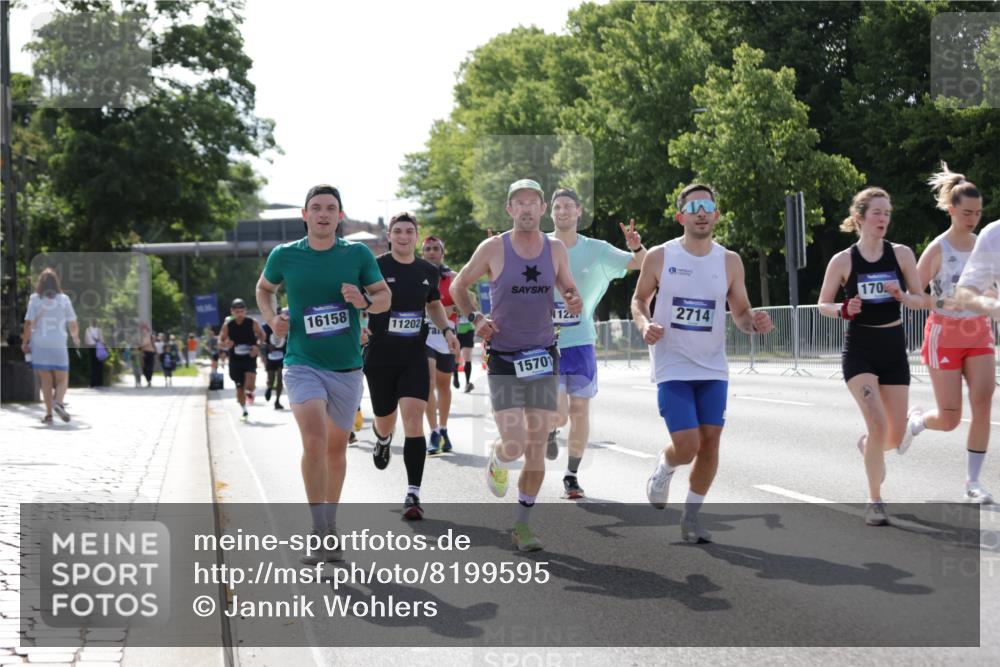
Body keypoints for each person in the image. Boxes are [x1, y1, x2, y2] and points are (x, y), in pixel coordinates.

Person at [632, 184, 774, 543]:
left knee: (710, 442)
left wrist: (753, 323)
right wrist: (645, 324)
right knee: (687, 445)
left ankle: (691, 518)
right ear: (681, 216)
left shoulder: (729, 261)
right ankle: (665, 466)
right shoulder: (660, 257)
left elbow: (740, 312)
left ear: (716, 215)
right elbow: (639, 300)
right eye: (694, 207)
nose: (701, 213)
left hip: (712, 367)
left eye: (707, 207)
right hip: (672, 364)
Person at [256, 184, 389, 564]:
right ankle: (319, 530)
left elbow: (384, 298)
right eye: (316, 208)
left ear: (340, 216)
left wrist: (364, 300)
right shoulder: (285, 255)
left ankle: (330, 523)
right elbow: (264, 289)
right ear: (305, 215)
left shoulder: (357, 254)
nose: (323, 214)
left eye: (331, 208)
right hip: (302, 363)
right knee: (314, 441)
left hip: (346, 367)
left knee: (335, 450)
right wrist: (272, 320)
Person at [450, 178, 582, 551]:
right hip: (505, 358)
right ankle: (499, 456)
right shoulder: (493, 248)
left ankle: (522, 524)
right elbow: (459, 286)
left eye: (532, 202)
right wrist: (476, 318)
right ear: (509, 209)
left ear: (542, 209)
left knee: (536, 446)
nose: (526, 208)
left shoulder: (555, 249)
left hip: (542, 354)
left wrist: (573, 299)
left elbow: (569, 288)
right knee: (515, 444)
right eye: (519, 202)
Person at [817, 186, 924, 526]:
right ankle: (874, 500)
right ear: (860, 217)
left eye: (887, 213)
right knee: (878, 423)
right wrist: (843, 309)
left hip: (893, 348)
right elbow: (822, 304)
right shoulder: (843, 260)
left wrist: (903, 296)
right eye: (877, 212)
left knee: (891, 437)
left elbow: (922, 299)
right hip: (860, 350)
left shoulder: (902, 255)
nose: (883, 219)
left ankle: (869, 446)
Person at [546, 187, 646, 499]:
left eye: (568, 206)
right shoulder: (537, 246)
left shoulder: (597, 250)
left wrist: (637, 246)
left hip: (581, 343)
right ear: (551, 213)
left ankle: (571, 476)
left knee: (580, 410)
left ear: (579, 212)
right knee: (559, 414)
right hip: (545, 343)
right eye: (557, 207)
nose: (563, 211)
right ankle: (550, 427)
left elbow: (641, 264)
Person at [904, 164, 996, 503]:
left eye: (978, 213)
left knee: (983, 401)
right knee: (950, 418)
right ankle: (918, 422)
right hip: (944, 333)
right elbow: (912, 296)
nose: (973, 219)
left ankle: (973, 482)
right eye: (967, 213)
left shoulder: (986, 245)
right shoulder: (938, 249)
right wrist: (944, 301)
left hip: (979, 331)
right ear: (951, 210)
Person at [365, 212, 460, 519]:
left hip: (414, 356)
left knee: (414, 420)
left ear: (416, 236)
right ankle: (382, 438)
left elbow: (433, 303)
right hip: (380, 356)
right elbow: (355, 302)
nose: (404, 236)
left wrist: (447, 331)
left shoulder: (427, 270)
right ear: (389, 236)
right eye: (398, 231)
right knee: (384, 419)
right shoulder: (375, 267)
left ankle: (413, 494)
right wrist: (359, 328)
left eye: (409, 231)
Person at [20, 268, 81, 424]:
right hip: (59, 343)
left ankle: (48, 415)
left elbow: (28, 324)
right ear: (56, 283)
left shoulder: (34, 299)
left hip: (40, 344)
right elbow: (72, 323)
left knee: (45, 380)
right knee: (62, 379)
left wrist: (25, 342)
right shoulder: (64, 299)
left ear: (40, 283)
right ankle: (58, 403)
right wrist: (75, 337)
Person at [421, 235, 459, 455]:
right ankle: (433, 431)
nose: (432, 252)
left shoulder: (453, 277)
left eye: (436, 248)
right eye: (428, 249)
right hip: (425, 336)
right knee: (429, 381)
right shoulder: (417, 274)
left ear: (442, 253)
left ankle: (443, 429)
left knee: (444, 386)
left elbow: (468, 303)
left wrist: (452, 309)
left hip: (447, 335)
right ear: (422, 253)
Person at [219, 299, 266, 420]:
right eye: (237, 311)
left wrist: (257, 346)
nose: (239, 314)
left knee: (250, 385)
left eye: (241, 311)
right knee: (239, 388)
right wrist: (226, 344)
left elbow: (262, 335)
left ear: (245, 311)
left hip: (249, 357)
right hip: (235, 359)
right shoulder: (228, 325)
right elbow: (220, 341)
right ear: (232, 312)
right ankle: (244, 410)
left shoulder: (252, 322)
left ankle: (250, 391)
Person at [262, 309, 288, 410]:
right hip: (271, 356)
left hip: (282, 356)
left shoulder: (286, 325)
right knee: (271, 378)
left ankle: (277, 401)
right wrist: (267, 346)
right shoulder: (266, 327)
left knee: (280, 379)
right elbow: (261, 340)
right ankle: (269, 387)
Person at [84, 319, 105, 388]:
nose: (94, 323)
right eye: (93, 322)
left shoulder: (99, 330)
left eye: (95, 322)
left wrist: (103, 345)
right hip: (91, 348)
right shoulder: (88, 330)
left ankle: (99, 383)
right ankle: (93, 383)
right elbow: (86, 339)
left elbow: (102, 340)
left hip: (97, 348)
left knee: (98, 366)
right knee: (93, 366)